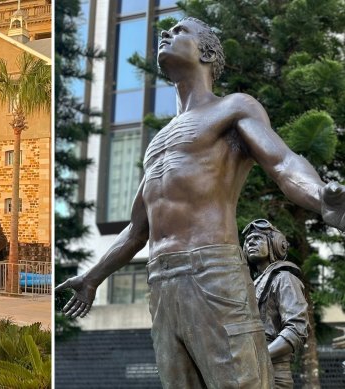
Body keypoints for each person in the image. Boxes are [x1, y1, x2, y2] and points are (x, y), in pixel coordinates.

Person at [56, 16, 345, 389]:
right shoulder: (158, 141)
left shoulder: (234, 108)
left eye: (179, 31)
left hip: (212, 271)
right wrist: (93, 277)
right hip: (160, 281)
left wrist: (321, 197)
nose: (165, 34)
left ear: (206, 51)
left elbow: (283, 162)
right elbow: (136, 229)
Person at [243, 219, 308, 389]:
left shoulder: (284, 278)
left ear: (276, 244)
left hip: (273, 377)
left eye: (257, 238)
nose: (250, 243)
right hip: (248, 374)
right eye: (248, 240)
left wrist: (258, 357)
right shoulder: (251, 284)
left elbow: (297, 330)